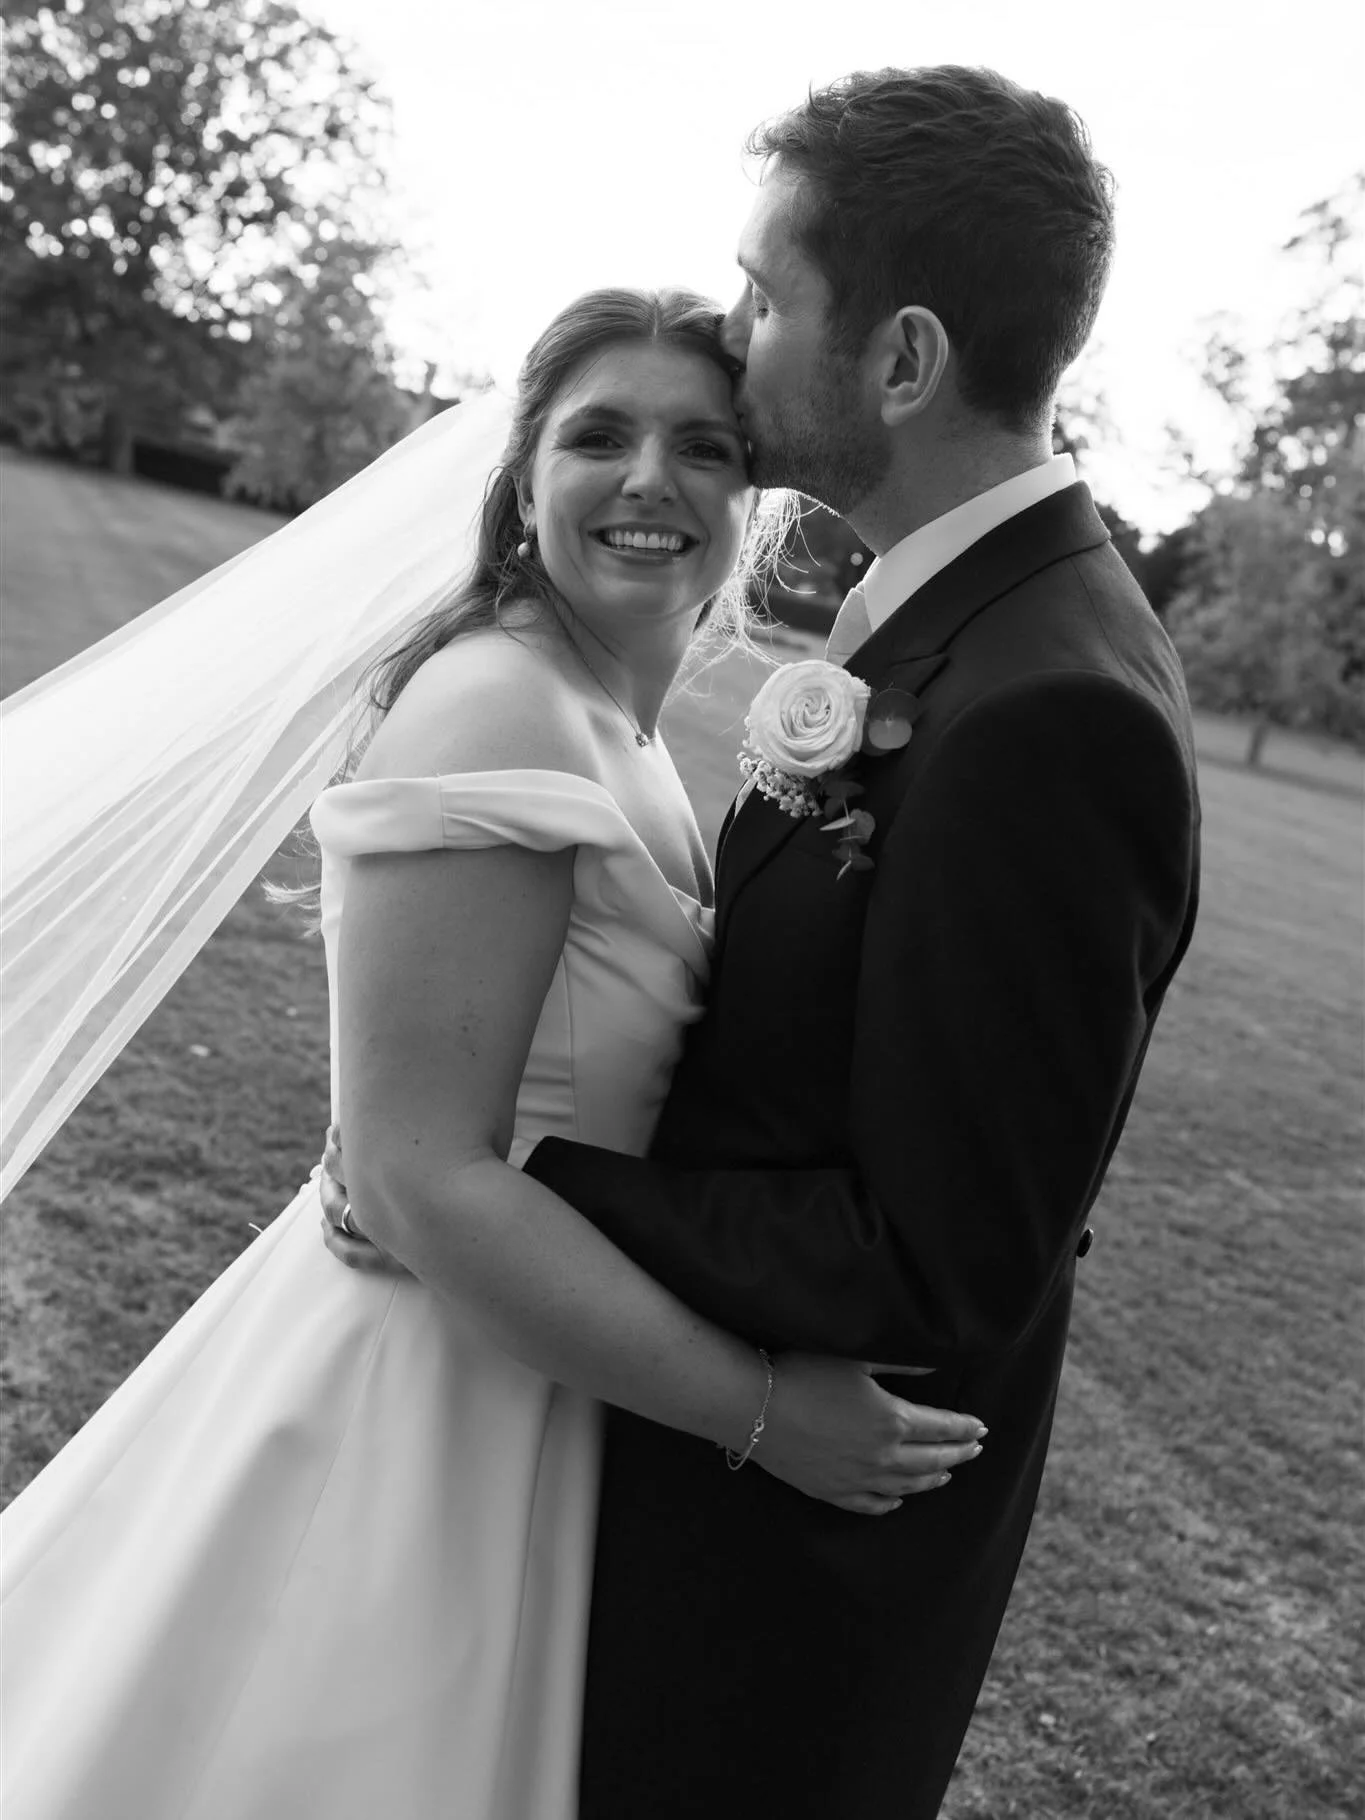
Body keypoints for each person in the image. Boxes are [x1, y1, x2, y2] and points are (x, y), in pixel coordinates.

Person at [323, 64, 1202, 1820]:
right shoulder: (950, 631)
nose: (735, 340)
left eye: (762, 295)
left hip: (787, 1590)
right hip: (650, 1473)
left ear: (902, 360)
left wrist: (497, 1181)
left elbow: (936, 1255)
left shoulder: (1046, 706)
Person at [0, 289, 987, 1820]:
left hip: (537, 1364)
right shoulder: (501, 700)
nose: (651, 477)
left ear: (755, 496)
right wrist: (764, 1411)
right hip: (416, 1394)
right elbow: (415, 1179)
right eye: (600, 435)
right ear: (523, 477)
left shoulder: (629, 725)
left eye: (703, 444)